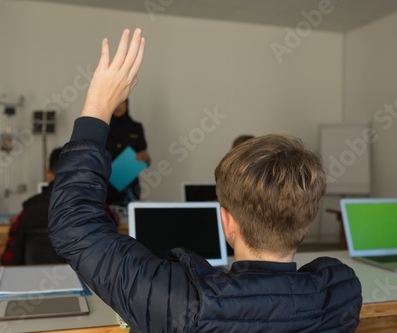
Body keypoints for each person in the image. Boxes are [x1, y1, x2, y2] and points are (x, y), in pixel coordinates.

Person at [48, 28, 362, 332]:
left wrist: (97, 105)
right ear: (306, 221)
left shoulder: (179, 303)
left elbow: (73, 224)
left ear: (227, 222)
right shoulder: (340, 294)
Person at [106, 98, 150, 205]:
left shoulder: (136, 127)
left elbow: (145, 159)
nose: (118, 107)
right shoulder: (103, 128)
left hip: (130, 186)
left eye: (121, 103)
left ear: (127, 104)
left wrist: (145, 158)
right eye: (115, 103)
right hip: (106, 187)